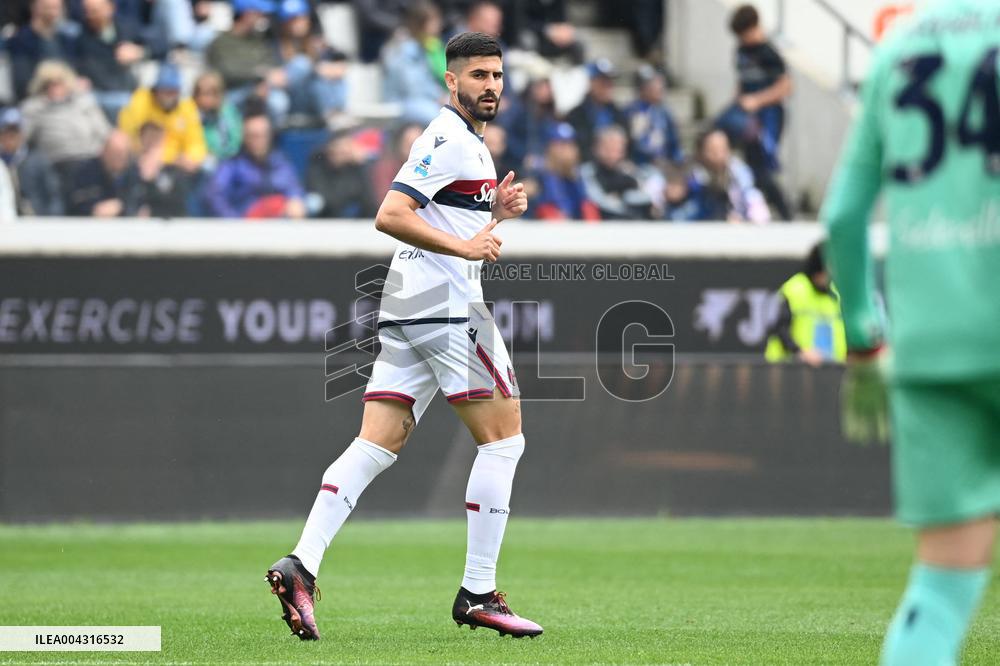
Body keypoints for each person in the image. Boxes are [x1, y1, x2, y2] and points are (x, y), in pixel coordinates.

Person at [265, 31, 542, 642]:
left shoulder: (467, 146)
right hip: (444, 307)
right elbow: (390, 214)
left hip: (408, 304)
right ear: (452, 81)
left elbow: (444, 216)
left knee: (377, 443)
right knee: (504, 442)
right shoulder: (447, 139)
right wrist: (469, 243)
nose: (490, 86)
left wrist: (494, 215)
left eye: (496, 76)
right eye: (478, 76)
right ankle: (478, 591)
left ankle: (301, 564)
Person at [821, 2, 1000, 664]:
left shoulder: (899, 47)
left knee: (942, 589)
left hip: (931, 348)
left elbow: (842, 215)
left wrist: (864, 338)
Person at [716, 4, 792, 219]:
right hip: (746, 114)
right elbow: (741, 81)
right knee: (746, 160)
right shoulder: (741, 50)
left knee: (763, 164)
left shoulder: (768, 51)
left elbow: (786, 87)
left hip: (768, 114)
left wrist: (757, 101)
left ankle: (785, 212)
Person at [19, 59, 110, 188]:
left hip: (91, 159)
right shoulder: (33, 108)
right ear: (40, 86)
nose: (54, 88)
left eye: (58, 83)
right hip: (56, 164)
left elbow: (104, 131)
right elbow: (21, 139)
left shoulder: (84, 101)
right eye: (48, 84)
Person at [203, 112, 305, 219]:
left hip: (278, 226)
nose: (259, 141)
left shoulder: (280, 162)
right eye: (253, 136)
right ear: (244, 137)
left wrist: (295, 200)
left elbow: (294, 189)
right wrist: (235, 221)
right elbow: (214, 196)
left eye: (263, 135)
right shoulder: (232, 165)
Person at [764, 243, 846, 366]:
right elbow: (780, 329)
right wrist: (800, 351)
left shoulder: (836, 293)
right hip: (790, 370)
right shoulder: (794, 290)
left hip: (830, 371)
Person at [118, 63, 207, 173]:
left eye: (173, 91)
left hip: (175, 164)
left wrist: (188, 158)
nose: (169, 96)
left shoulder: (187, 107)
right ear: (156, 89)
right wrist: (145, 154)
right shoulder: (141, 99)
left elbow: (196, 143)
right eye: (165, 91)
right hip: (140, 159)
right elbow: (127, 132)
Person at [74, 0, 145, 121]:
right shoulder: (79, 35)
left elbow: (158, 45)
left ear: (110, 8)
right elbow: (74, 63)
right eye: (87, 11)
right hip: (96, 92)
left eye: (95, 11)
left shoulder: (126, 28)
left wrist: (139, 52)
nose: (90, 15)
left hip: (126, 89)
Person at [381, 1, 448, 126]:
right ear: (421, 23)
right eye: (434, 21)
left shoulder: (427, 46)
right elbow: (412, 87)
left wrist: (441, 95)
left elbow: (429, 78)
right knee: (443, 118)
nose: (439, 25)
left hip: (424, 100)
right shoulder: (404, 48)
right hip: (403, 101)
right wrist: (437, 96)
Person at [688, 128, 769, 223]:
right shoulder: (692, 176)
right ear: (700, 153)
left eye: (723, 149)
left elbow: (751, 198)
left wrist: (747, 220)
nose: (719, 154)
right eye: (713, 150)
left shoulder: (738, 172)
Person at [5, 0, 79, 101]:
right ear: (34, 8)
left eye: (57, 8)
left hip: (69, 93)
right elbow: (22, 82)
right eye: (48, 7)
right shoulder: (20, 39)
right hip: (37, 98)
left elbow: (74, 69)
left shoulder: (66, 38)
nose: (53, 12)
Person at [580, 125, 653, 221]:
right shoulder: (586, 172)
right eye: (608, 149)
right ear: (596, 148)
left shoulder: (630, 172)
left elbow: (648, 197)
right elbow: (597, 201)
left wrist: (623, 195)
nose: (612, 154)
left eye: (617, 150)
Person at [0, 106, 63, 215]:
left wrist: (50, 223)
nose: (11, 137)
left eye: (15, 132)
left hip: (36, 220)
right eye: (6, 132)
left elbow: (53, 196)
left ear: (22, 134)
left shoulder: (38, 160)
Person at [532, 122, 600, 222]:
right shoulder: (536, 174)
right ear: (549, 147)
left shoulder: (578, 176)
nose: (567, 150)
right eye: (561, 145)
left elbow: (585, 207)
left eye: (570, 145)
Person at [66, 129, 143, 216]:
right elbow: (76, 203)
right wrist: (94, 210)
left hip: (125, 226)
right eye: (114, 153)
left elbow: (139, 202)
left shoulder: (132, 173)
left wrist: (121, 206)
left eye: (122, 153)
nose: (117, 158)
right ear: (104, 151)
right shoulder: (85, 172)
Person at [565, 58, 629, 163]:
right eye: (603, 82)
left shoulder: (619, 114)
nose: (608, 87)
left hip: (616, 167)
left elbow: (628, 147)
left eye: (610, 82)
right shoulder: (576, 115)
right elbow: (577, 148)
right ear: (591, 83)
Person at [305, 131, 376, 218]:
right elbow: (330, 201)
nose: (342, 152)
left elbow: (369, 202)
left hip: (351, 222)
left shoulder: (354, 168)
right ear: (330, 148)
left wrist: (363, 165)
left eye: (346, 149)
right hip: (323, 219)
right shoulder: (317, 165)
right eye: (339, 148)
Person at [192, 70, 243, 166]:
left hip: (229, 159)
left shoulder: (228, 111)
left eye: (213, 93)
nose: (208, 99)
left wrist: (222, 154)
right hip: (203, 160)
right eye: (203, 93)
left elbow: (235, 140)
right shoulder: (191, 114)